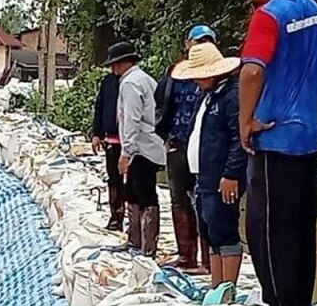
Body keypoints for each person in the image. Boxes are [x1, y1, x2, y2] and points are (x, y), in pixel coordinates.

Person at [238, 0, 317, 306]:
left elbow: (252, 71)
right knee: (300, 226)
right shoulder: (315, 11)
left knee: (266, 228)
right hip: (307, 138)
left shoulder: (268, 16)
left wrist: (245, 122)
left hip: (274, 138)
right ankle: (300, 303)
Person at [172, 42, 246, 288]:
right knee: (211, 233)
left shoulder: (231, 97)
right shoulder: (207, 98)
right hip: (203, 176)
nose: (197, 81)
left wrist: (231, 174)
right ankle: (216, 287)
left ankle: (228, 288)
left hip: (221, 178)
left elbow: (239, 138)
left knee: (225, 232)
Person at [155, 24, 218, 274]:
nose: (200, 45)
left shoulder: (218, 76)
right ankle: (186, 257)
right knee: (179, 200)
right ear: (187, 45)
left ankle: (208, 261)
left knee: (204, 202)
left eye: (206, 41)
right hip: (178, 144)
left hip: (204, 148)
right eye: (197, 41)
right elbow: (161, 104)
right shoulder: (175, 74)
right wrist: (165, 134)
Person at [105, 42, 167, 258]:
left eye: (115, 65)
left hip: (143, 147)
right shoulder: (145, 79)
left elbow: (131, 118)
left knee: (144, 193)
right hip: (148, 144)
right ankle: (135, 240)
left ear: (123, 63)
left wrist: (126, 151)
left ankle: (147, 247)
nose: (113, 70)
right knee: (132, 191)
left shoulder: (131, 84)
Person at [92, 67, 124, 231]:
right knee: (114, 179)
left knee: (133, 183)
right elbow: (100, 106)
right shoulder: (108, 82)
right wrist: (96, 134)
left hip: (132, 142)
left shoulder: (133, 82)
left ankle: (135, 227)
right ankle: (116, 217)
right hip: (111, 139)